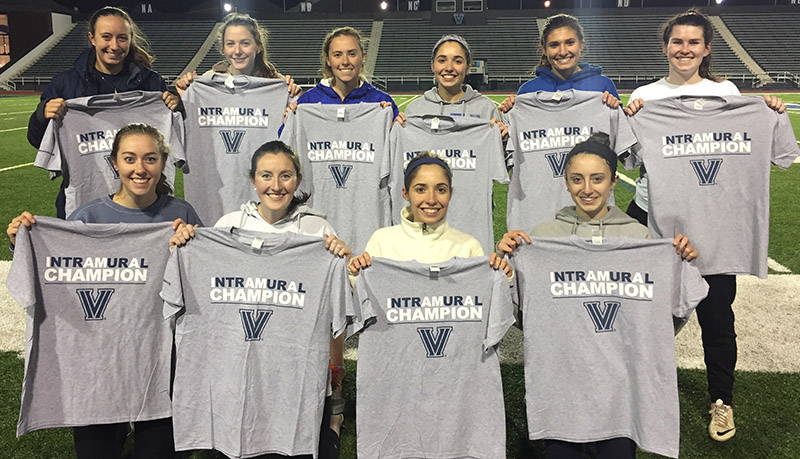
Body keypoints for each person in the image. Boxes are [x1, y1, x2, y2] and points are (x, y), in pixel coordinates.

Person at [623, 8, 785, 442]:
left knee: (717, 317)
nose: (684, 49)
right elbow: (628, 160)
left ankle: (721, 401)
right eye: (677, 42)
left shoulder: (729, 93)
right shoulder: (646, 97)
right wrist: (628, 118)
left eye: (694, 42)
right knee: (647, 314)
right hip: (654, 222)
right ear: (665, 47)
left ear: (707, 49)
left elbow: (770, 154)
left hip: (715, 226)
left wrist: (768, 110)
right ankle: (638, 393)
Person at [497, 133, 697, 459]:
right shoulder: (542, 239)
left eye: (597, 179)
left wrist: (677, 262)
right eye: (577, 179)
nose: (587, 188)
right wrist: (508, 267)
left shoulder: (639, 237)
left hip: (621, 394)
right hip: (563, 391)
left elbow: (667, 314)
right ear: (565, 182)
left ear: (614, 181)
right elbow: (523, 314)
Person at [7, 123, 201, 459]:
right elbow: (58, 273)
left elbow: (202, 284)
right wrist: (23, 242)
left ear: (162, 163)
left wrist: (191, 245)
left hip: (161, 360)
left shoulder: (180, 214)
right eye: (130, 159)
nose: (140, 169)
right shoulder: (88, 217)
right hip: (99, 363)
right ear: (114, 163)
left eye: (150, 159)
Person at [169, 140, 350, 459]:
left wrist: (340, 260)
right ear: (252, 180)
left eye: (286, 176)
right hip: (231, 373)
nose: (276, 185)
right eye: (266, 176)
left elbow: (336, 309)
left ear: (297, 179)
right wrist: (186, 246)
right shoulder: (225, 228)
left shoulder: (317, 231)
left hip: (292, 378)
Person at [26, 6, 179, 219]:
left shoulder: (153, 84)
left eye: (122, 38)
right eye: (106, 37)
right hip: (84, 207)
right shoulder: (66, 85)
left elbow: (169, 146)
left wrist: (175, 107)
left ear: (130, 39)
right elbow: (37, 141)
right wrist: (43, 115)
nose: (114, 46)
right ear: (92, 38)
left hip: (144, 206)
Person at [348, 151, 511, 277]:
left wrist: (504, 276)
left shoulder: (469, 247)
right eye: (421, 189)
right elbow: (366, 299)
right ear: (405, 194)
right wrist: (355, 274)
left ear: (450, 193)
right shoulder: (381, 241)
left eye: (441, 190)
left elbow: (483, 300)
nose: (431, 200)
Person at [499, 13, 620, 113]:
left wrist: (624, 110)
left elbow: (617, 133)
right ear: (544, 50)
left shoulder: (603, 86)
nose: (563, 52)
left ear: (582, 44)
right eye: (554, 45)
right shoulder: (528, 91)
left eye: (570, 43)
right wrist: (508, 118)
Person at [395, 34, 507, 138]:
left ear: (468, 68)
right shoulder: (414, 109)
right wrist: (396, 132)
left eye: (457, 61)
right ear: (433, 66)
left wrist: (503, 139)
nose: (449, 68)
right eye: (442, 60)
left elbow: (498, 155)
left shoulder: (486, 108)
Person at [174, 12, 300, 97]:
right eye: (230, 44)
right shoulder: (208, 81)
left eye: (245, 43)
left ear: (258, 47)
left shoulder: (276, 83)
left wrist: (294, 98)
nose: (238, 51)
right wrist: (186, 96)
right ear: (223, 48)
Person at [287, 26, 398, 118]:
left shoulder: (381, 102)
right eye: (337, 55)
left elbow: (397, 142)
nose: (345, 61)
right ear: (328, 60)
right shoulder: (308, 101)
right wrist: (288, 121)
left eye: (352, 54)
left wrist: (396, 126)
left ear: (363, 57)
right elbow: (285, 143)